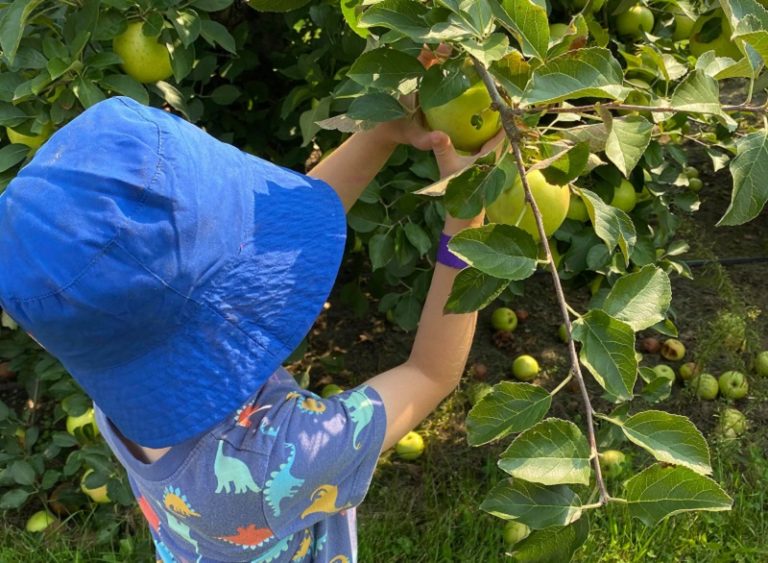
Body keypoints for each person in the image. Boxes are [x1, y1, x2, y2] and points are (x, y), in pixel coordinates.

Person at [0, 95, 499, 562]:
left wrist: (381, 133)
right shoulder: (275, 460)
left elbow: (285, 238)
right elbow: (432, 373)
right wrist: (466, 218)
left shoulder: (114, 377)